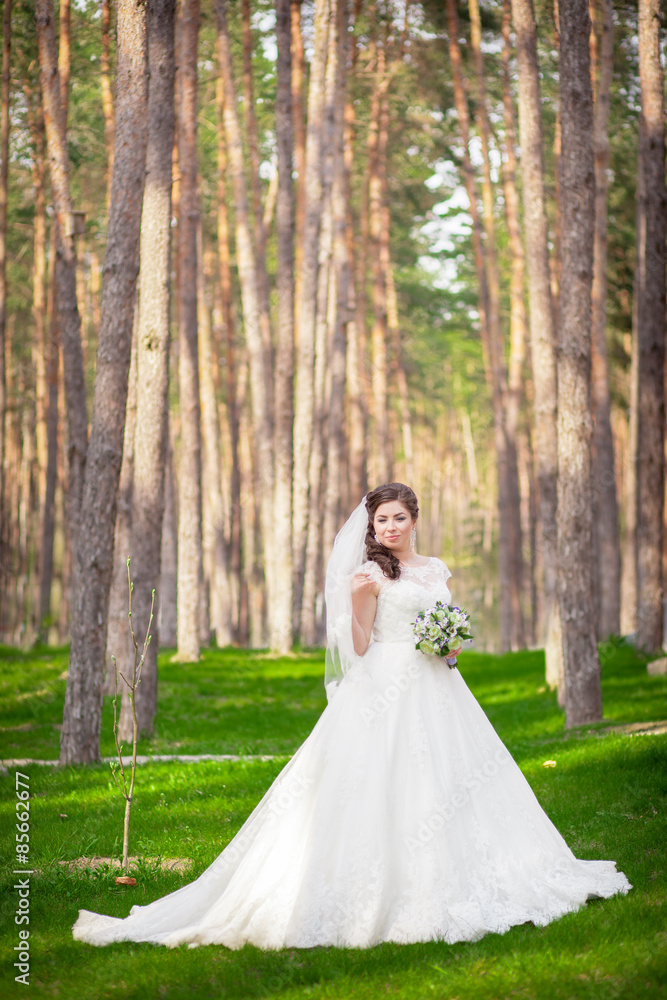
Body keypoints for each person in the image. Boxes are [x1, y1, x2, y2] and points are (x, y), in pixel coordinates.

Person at [72, 482, 631, 950]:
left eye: (398, 517)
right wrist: (353, 602)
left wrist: (448, 646)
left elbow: (443, 626)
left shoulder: (435, 569)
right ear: (373, 525)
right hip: (385, 685)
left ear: (414, 519)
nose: (389, 527)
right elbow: (360, 647)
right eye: (381, 519)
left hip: (438, 686)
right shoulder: (370, 574)